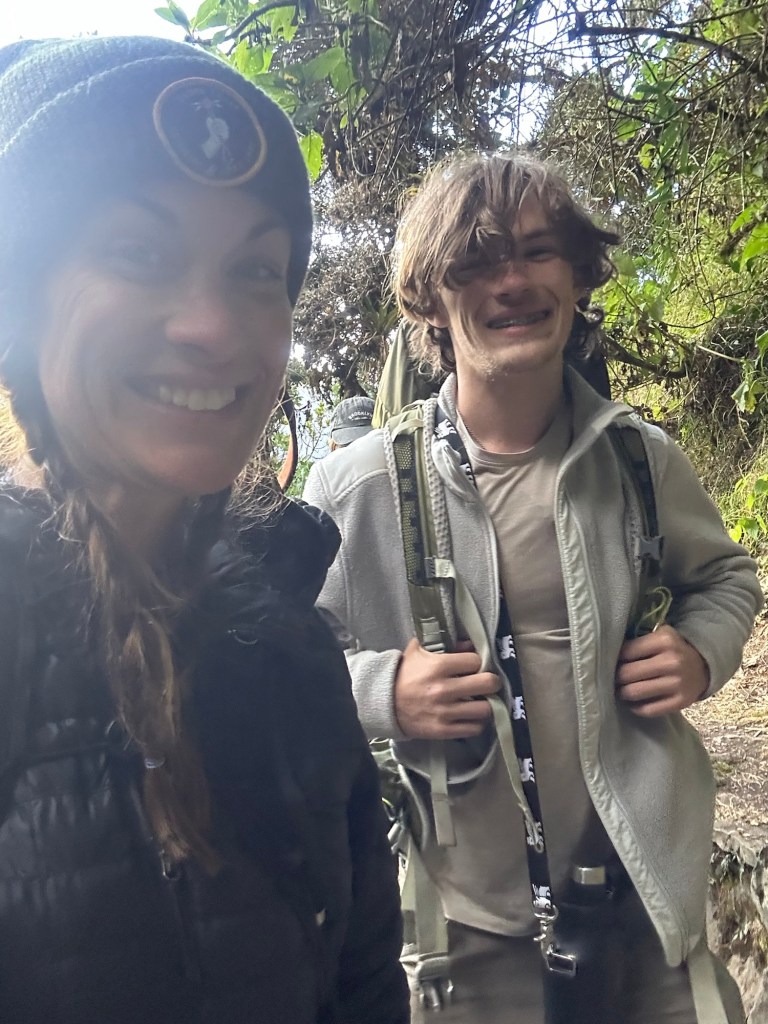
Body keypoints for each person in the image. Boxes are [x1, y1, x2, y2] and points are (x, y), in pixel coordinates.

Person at [0, 36, 408, 1024]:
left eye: (256, 269)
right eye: (139, 254)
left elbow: (360, 988)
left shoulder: (285, 640)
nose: (215, 326)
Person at [303, 152, 763, 1023]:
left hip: (647, 908)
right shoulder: (356, 489)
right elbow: (286, 656)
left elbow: (728, 578)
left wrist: (702, 652)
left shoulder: (638, 460)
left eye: (538, 252)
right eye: (476, 262)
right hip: (464, 936)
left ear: (579, 276)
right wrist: (382, 689)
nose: (511, 281)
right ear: (431, 298)